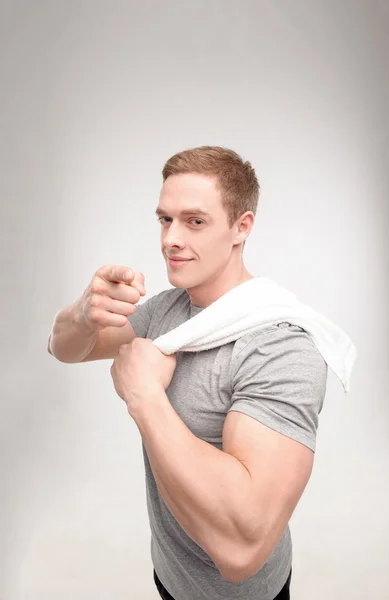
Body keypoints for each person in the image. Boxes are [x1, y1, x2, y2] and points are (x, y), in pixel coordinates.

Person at [48, 146, 328, 600]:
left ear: (242, 227)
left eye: (194, 221)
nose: (170, 239)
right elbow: (65, 349)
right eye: (165, 219)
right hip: (171, 575)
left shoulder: (279, 347)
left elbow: (242, 551)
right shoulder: (166, 310)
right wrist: (83, 312)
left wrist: (145, 398)